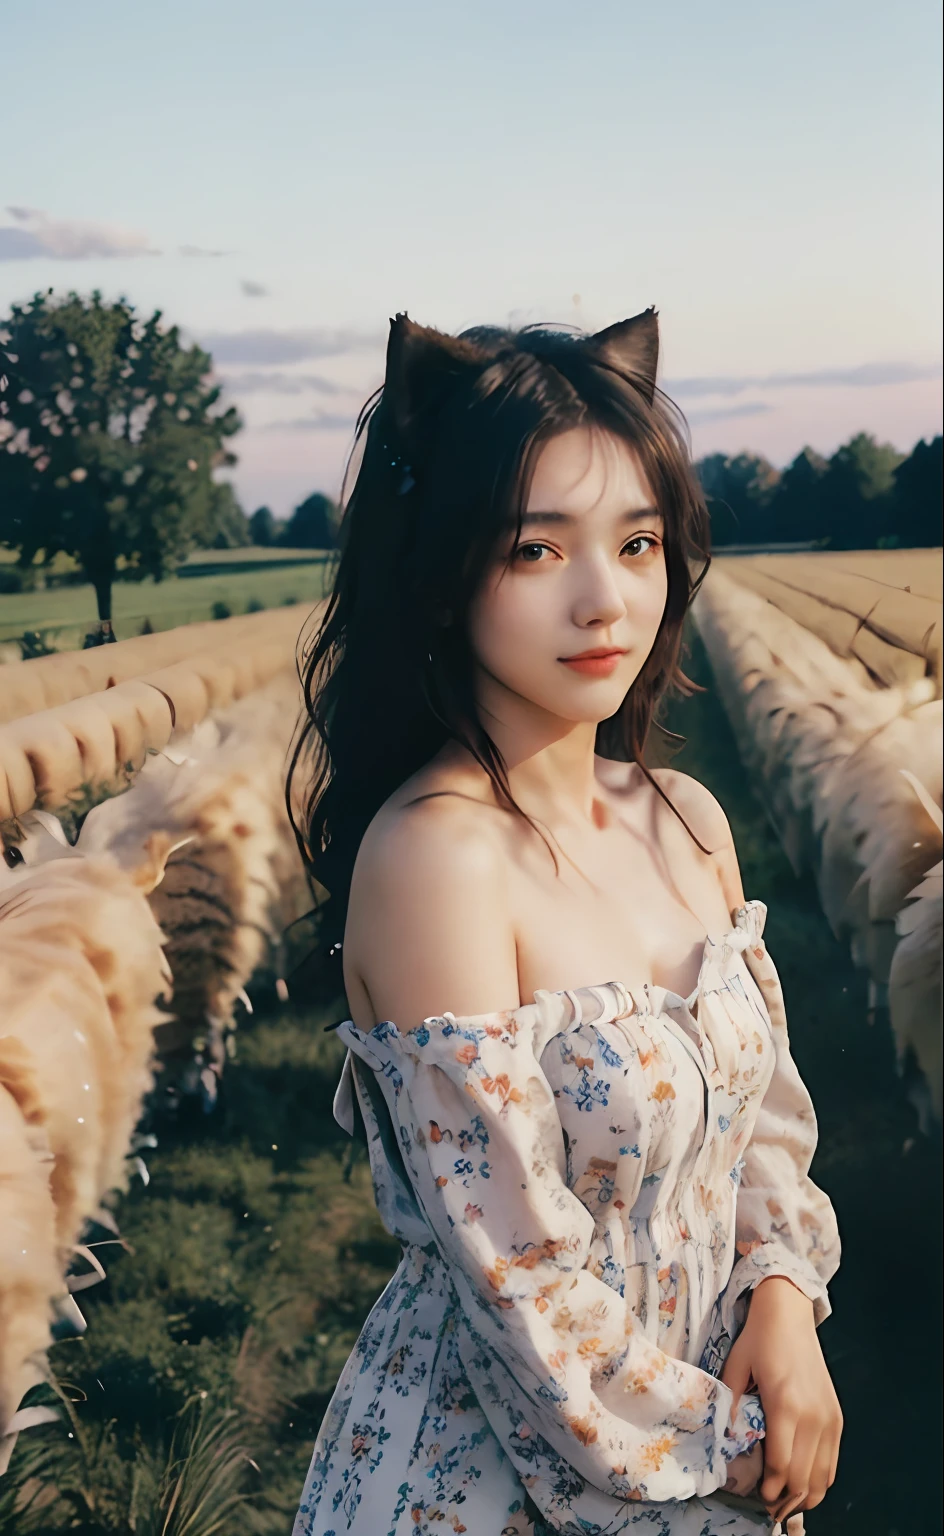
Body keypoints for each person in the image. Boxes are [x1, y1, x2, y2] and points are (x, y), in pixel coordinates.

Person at [288, 308, 842, 1536]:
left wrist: (780, 1308)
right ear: (440, 578)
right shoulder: (436, 859)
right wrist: (733, 1443)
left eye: (635, 541)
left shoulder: (684, 817)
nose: (603, 598)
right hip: (504, 1480)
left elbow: (760, 1124)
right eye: (536, 552)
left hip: (711, 1449)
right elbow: (517, 1282)